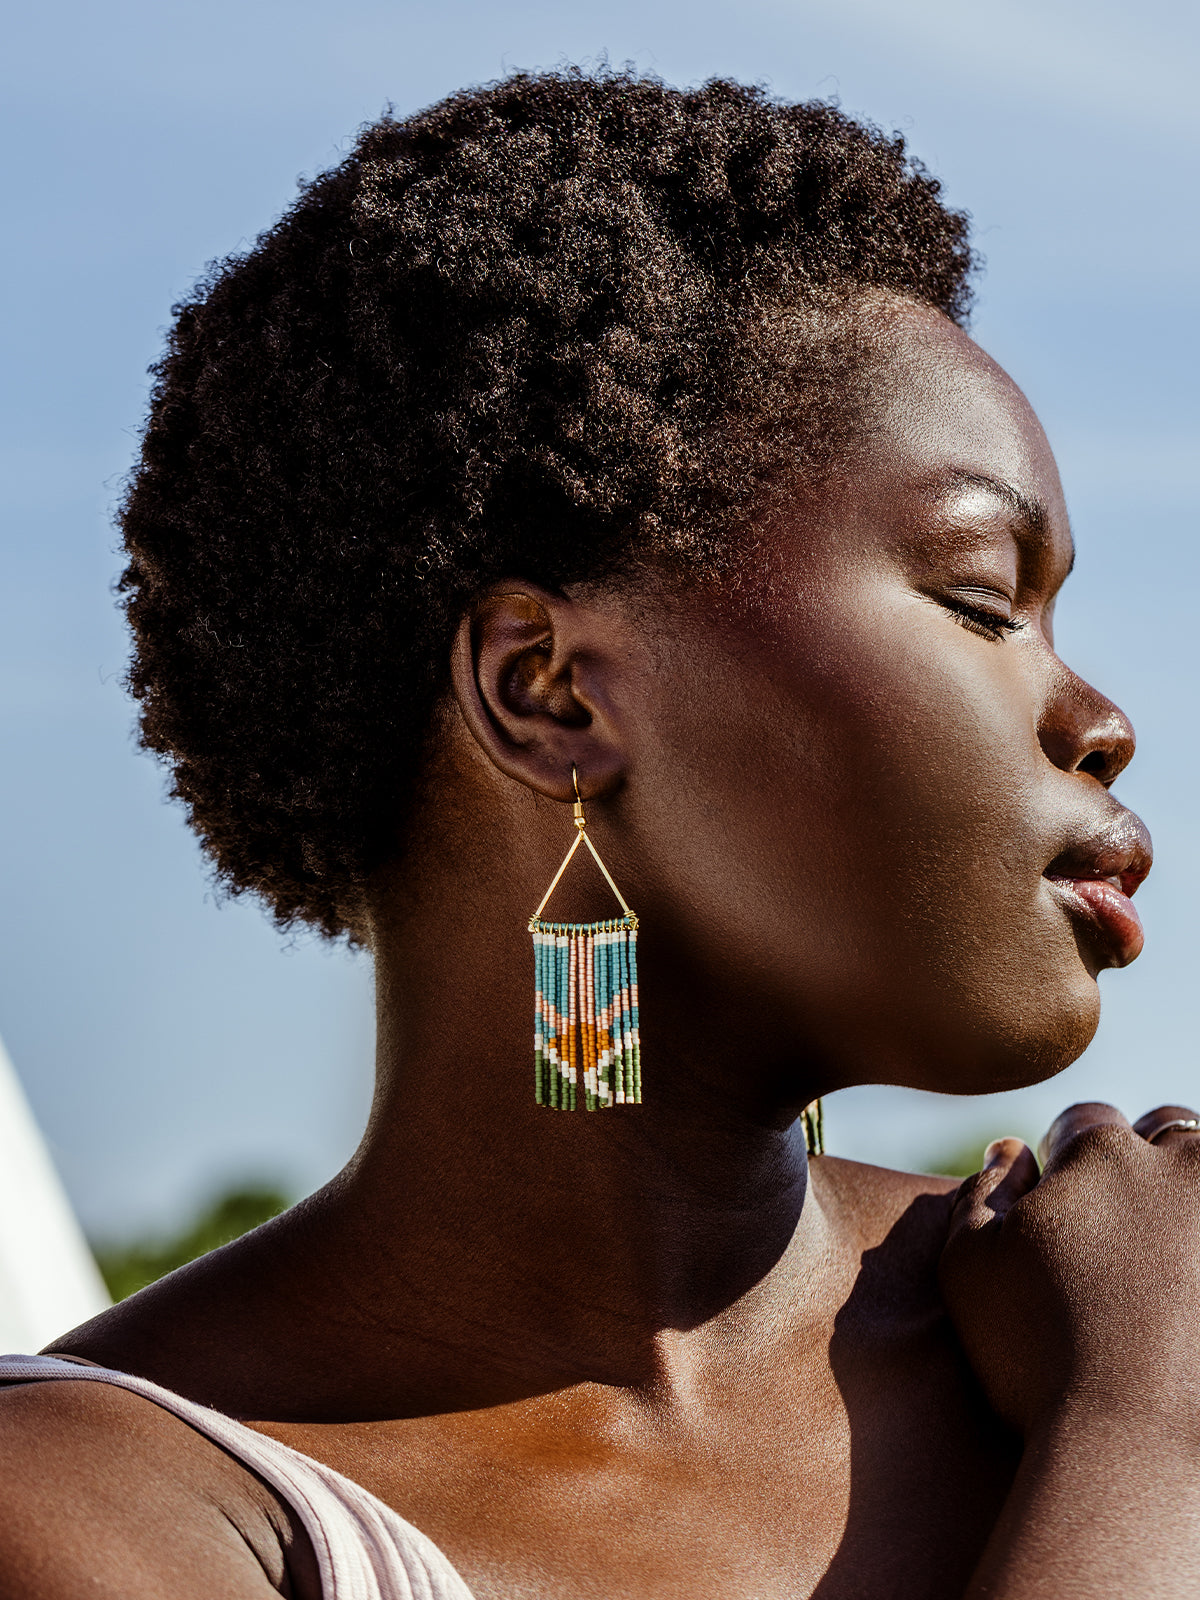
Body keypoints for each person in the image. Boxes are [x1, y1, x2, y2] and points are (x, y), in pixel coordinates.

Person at [1, 67, 1196, 1600]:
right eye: (983, 599)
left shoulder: (1099, 1285)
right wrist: (1150, 1443)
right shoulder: (105, 1513)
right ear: (549, 694)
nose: (1101, 718)